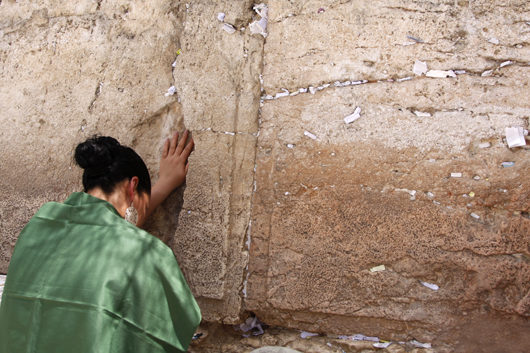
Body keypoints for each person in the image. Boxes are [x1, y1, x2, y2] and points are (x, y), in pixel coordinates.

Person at [0, 131, 201, 353]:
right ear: (133, 187)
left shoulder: (37, 229)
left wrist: (163, 185)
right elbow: (178, 322)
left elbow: (108, 223)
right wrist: (165, 183)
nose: (140, 216)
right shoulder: (146, 251)